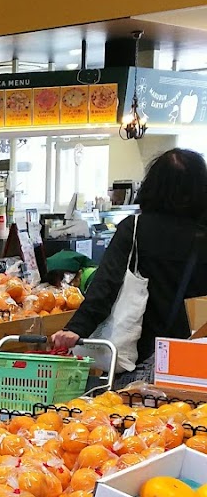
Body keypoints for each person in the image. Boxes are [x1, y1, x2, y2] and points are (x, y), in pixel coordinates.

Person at [51, 148, 207, 385]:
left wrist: (76, 329)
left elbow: (105, 286)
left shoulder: (134, 229)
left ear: (153, 185)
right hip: (195, 358)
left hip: (138, 357)